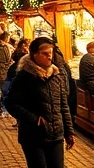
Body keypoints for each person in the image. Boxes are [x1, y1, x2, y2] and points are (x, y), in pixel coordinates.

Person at [5, 36, 75, 168]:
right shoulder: (24, 77)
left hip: (56, 135)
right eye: (45, 54)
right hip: (33, 136)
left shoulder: (56, 75)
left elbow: (63, 106)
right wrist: (34, 119)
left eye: (51, 53)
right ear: (34, 54)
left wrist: (69, 131)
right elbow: (11, 103)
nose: (49, 57)